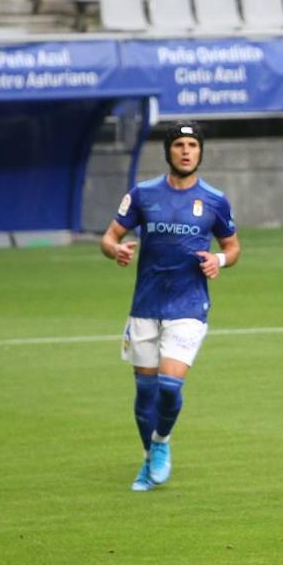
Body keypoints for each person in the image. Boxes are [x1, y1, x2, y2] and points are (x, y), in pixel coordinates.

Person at [100, 121, 239, 492]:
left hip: (189, 306)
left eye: (193, 145)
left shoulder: (214, 199)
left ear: (200, 152)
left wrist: (218, 262)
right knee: (145, 393)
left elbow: (232, 247)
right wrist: (116, 249)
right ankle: (148, 458)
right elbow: (109, 237)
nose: (186, 151)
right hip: (145, 305)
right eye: (179, 144)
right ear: (169, 151)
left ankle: (160, 443)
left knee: (169, 386)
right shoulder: (143, 195)